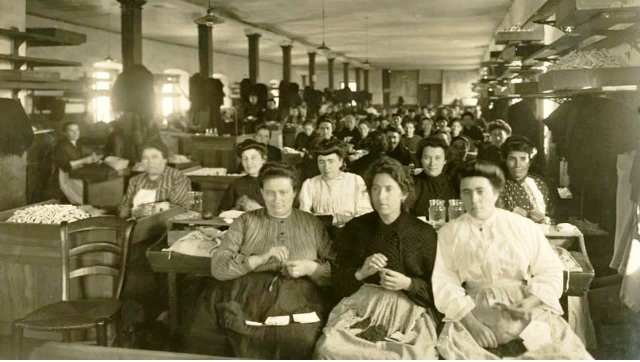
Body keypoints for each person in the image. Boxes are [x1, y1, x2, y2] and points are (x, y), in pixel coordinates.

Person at [432, 160, 592, 359]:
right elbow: (444, 282)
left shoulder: (523, 226)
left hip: (524, 306)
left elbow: (549, 270)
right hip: (474, 310)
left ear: (496, 192)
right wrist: (473, 326)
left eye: (481, 191)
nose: (474, 199)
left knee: (556, 353)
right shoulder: (450, 232)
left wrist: (530, 303)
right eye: (466, 192)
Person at [186, 162, 334, 359]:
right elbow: (219, 267)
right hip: (243, 292)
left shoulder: (312, 223)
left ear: (295, 192)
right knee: (220, 334)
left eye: (283, 192)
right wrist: (258, 259)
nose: (277, 199)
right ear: (262, 193)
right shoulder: (245, 221)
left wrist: (311, 267)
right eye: (270, 193)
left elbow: (335, 271)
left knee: (299, 338)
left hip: (298, 295)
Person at [314, 157, 440, 359]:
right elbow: (336, 281)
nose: (381, 196)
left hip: (408, 308)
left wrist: (408, 283)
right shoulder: (356, 228)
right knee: (328, 349)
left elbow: (438, 288)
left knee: (409, 355)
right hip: (361, 305)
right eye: (375, 189)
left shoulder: (423, 233)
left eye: (389, 189)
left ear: (404, 193)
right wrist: (360, 273)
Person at [299, 139, 372, 225]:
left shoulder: (354, 180)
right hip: (321, 232)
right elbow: (304, 216)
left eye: (331, 161)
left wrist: (334, 219)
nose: (326, 167)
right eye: (322, 162)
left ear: (340, 161)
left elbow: (365, 214)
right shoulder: (310, 184)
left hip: (351, 232)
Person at [118, 140, 191, 218]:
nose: (150, 162)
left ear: (165, 159)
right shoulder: (135, 181)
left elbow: (180, 209)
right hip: (139, 226)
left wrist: (149, 210)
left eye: (154, 157)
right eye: (145, 158)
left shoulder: (177, 178)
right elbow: (124, 209)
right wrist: (125, 212)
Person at [500, 136, 556, 224]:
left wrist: (544, 219)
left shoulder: (541, 185)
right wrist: (507, 214)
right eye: (512, 159)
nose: (517, 165)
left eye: (523, 159)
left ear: (530, 162)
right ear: (506, 161)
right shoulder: (497, 185)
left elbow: (555, 218)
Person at [406, 137, 456, 217]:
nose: (432, 163)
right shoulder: (411, 184)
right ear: (421, 159)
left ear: (445, 160)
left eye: (437, 158)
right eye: (427, 158)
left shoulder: (454, 184)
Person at [54, 122, 100, 204]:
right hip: (65, 178)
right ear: (64, 133)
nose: (75, 133)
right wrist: (84, 160)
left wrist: (94, 158)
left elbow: (87, 153)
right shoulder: (61, 146)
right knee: (83, 196)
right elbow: (65, 165)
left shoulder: (79, 143)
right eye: (71, 130)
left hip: (77, 175)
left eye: (77, 130)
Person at [218, 140, 266, 213]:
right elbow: (222, 213)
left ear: (263, 160)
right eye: (245, 158)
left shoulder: (274, 182)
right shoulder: (236, 184)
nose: (249, 162)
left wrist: (259, 210)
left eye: (253, 158)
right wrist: (236, 207)